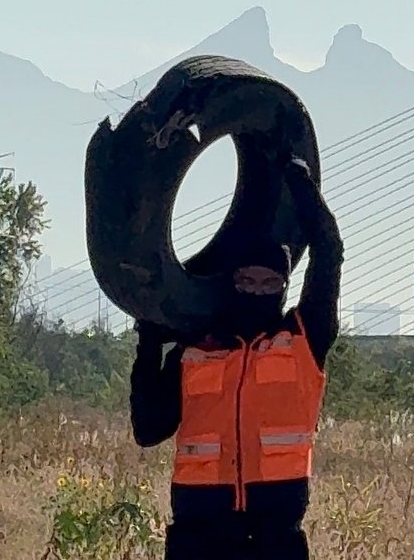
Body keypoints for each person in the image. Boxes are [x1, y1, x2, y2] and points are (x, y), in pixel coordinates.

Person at [129, 156, 343, 560]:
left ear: (284, 285)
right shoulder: (196, 351)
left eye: (270, 282)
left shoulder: (303, 340)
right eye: (247, 279)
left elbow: (329, 253)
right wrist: (149, 346)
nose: (258, 290)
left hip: (275, 538)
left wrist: (304, 189)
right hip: (199, 537)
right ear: (231, 282)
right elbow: (148, 429)